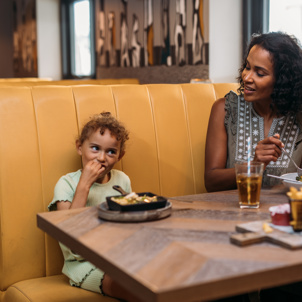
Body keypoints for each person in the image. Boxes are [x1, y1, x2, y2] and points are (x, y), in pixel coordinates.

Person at [48, 112, 141, 302]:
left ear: (120, 156)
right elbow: (69, 239)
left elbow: (130, 225)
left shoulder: (122, 181)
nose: (101, 158)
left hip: (119, 258)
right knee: (134, 289)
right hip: (83, 264)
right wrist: (84, 185)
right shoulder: (67, 184)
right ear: (79, 147)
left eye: (110, 152)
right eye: (95, 148)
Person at [205, 31, 302, 192]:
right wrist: (255, 165)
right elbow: (211, 182)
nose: (246, 77)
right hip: (231, 213)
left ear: (282, 80)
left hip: (285, 213)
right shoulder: (225, 110)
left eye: (260, 73)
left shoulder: (299, 118)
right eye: (247, 67)